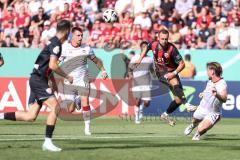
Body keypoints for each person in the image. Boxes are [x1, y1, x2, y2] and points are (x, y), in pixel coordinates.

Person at [0, 20, 72, 152]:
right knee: (55, 107)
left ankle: (0, 116)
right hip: (38, 80)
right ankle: (47, 142)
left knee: (30, 116)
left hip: (38, 79)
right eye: (70, 31)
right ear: (67, 30)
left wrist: (53, 82)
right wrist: (67, 76)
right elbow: (52, 65)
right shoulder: (56, 45)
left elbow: (47, 67)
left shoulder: (53, 42)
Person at [135, 29, 194, 126]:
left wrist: (174, 73)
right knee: (174, 82)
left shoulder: (172, 49)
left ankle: (165, 114)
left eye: (166, 39)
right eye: (162, 39)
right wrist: (140, 58)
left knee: (178, 100)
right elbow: (147, 47)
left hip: (172, 71)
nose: (164, 41)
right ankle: (187, 105)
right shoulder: (153, 44)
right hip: (160, 72)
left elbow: (182, 64)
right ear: (158, 38)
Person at [59, 27, 108, 135]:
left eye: (81, 35)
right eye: (78, 35)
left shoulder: (86, 48)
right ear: (72, 36)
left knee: (85, 100)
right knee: (70, 109)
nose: (81, 37)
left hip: (82, 78)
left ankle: (87, 128)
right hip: (69, 80)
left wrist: (103, 71)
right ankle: (77, 100)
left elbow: (96, 60)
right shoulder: (64, 48)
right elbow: (56, 63)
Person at [184, 62, 228, 140]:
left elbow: (224, 99)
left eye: (207, 70)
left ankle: (197, 134)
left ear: (212, 72)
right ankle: (193, 125)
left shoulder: (222, 84)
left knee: (201, 128)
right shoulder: (210, 81)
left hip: (213, 113)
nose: (206, 72)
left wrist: (216, 94)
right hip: (202, 108)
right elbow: (207, 91)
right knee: (194, 120)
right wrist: (203, 93)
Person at [128, 41, 153, 124]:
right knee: (137, 101)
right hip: (136, 81)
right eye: (143, 47)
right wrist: (130, 75)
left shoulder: (150, 59)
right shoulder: (135, 58)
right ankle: (137, 117)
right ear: (141, 48)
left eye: (146, 47)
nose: (144, 48)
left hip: (146, 82)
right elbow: (130, 69)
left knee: (147, 103)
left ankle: (141, 110)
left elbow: (153, 70)